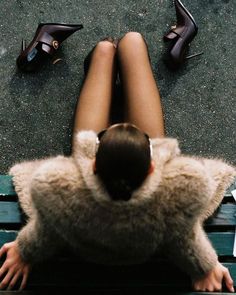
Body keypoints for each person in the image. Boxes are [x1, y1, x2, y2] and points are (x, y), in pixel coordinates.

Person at [0, 32, 235, 291]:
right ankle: (114, 53)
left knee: (109, 48)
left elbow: (45, 232)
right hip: (143, 189)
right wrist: (205, 265)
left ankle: (104, 53)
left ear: (93, 164)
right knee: (132, 42)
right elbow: (186, 239)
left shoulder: (65, 195)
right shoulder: (172, 199)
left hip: (99, 189)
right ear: (153, 166)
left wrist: (24, 252)